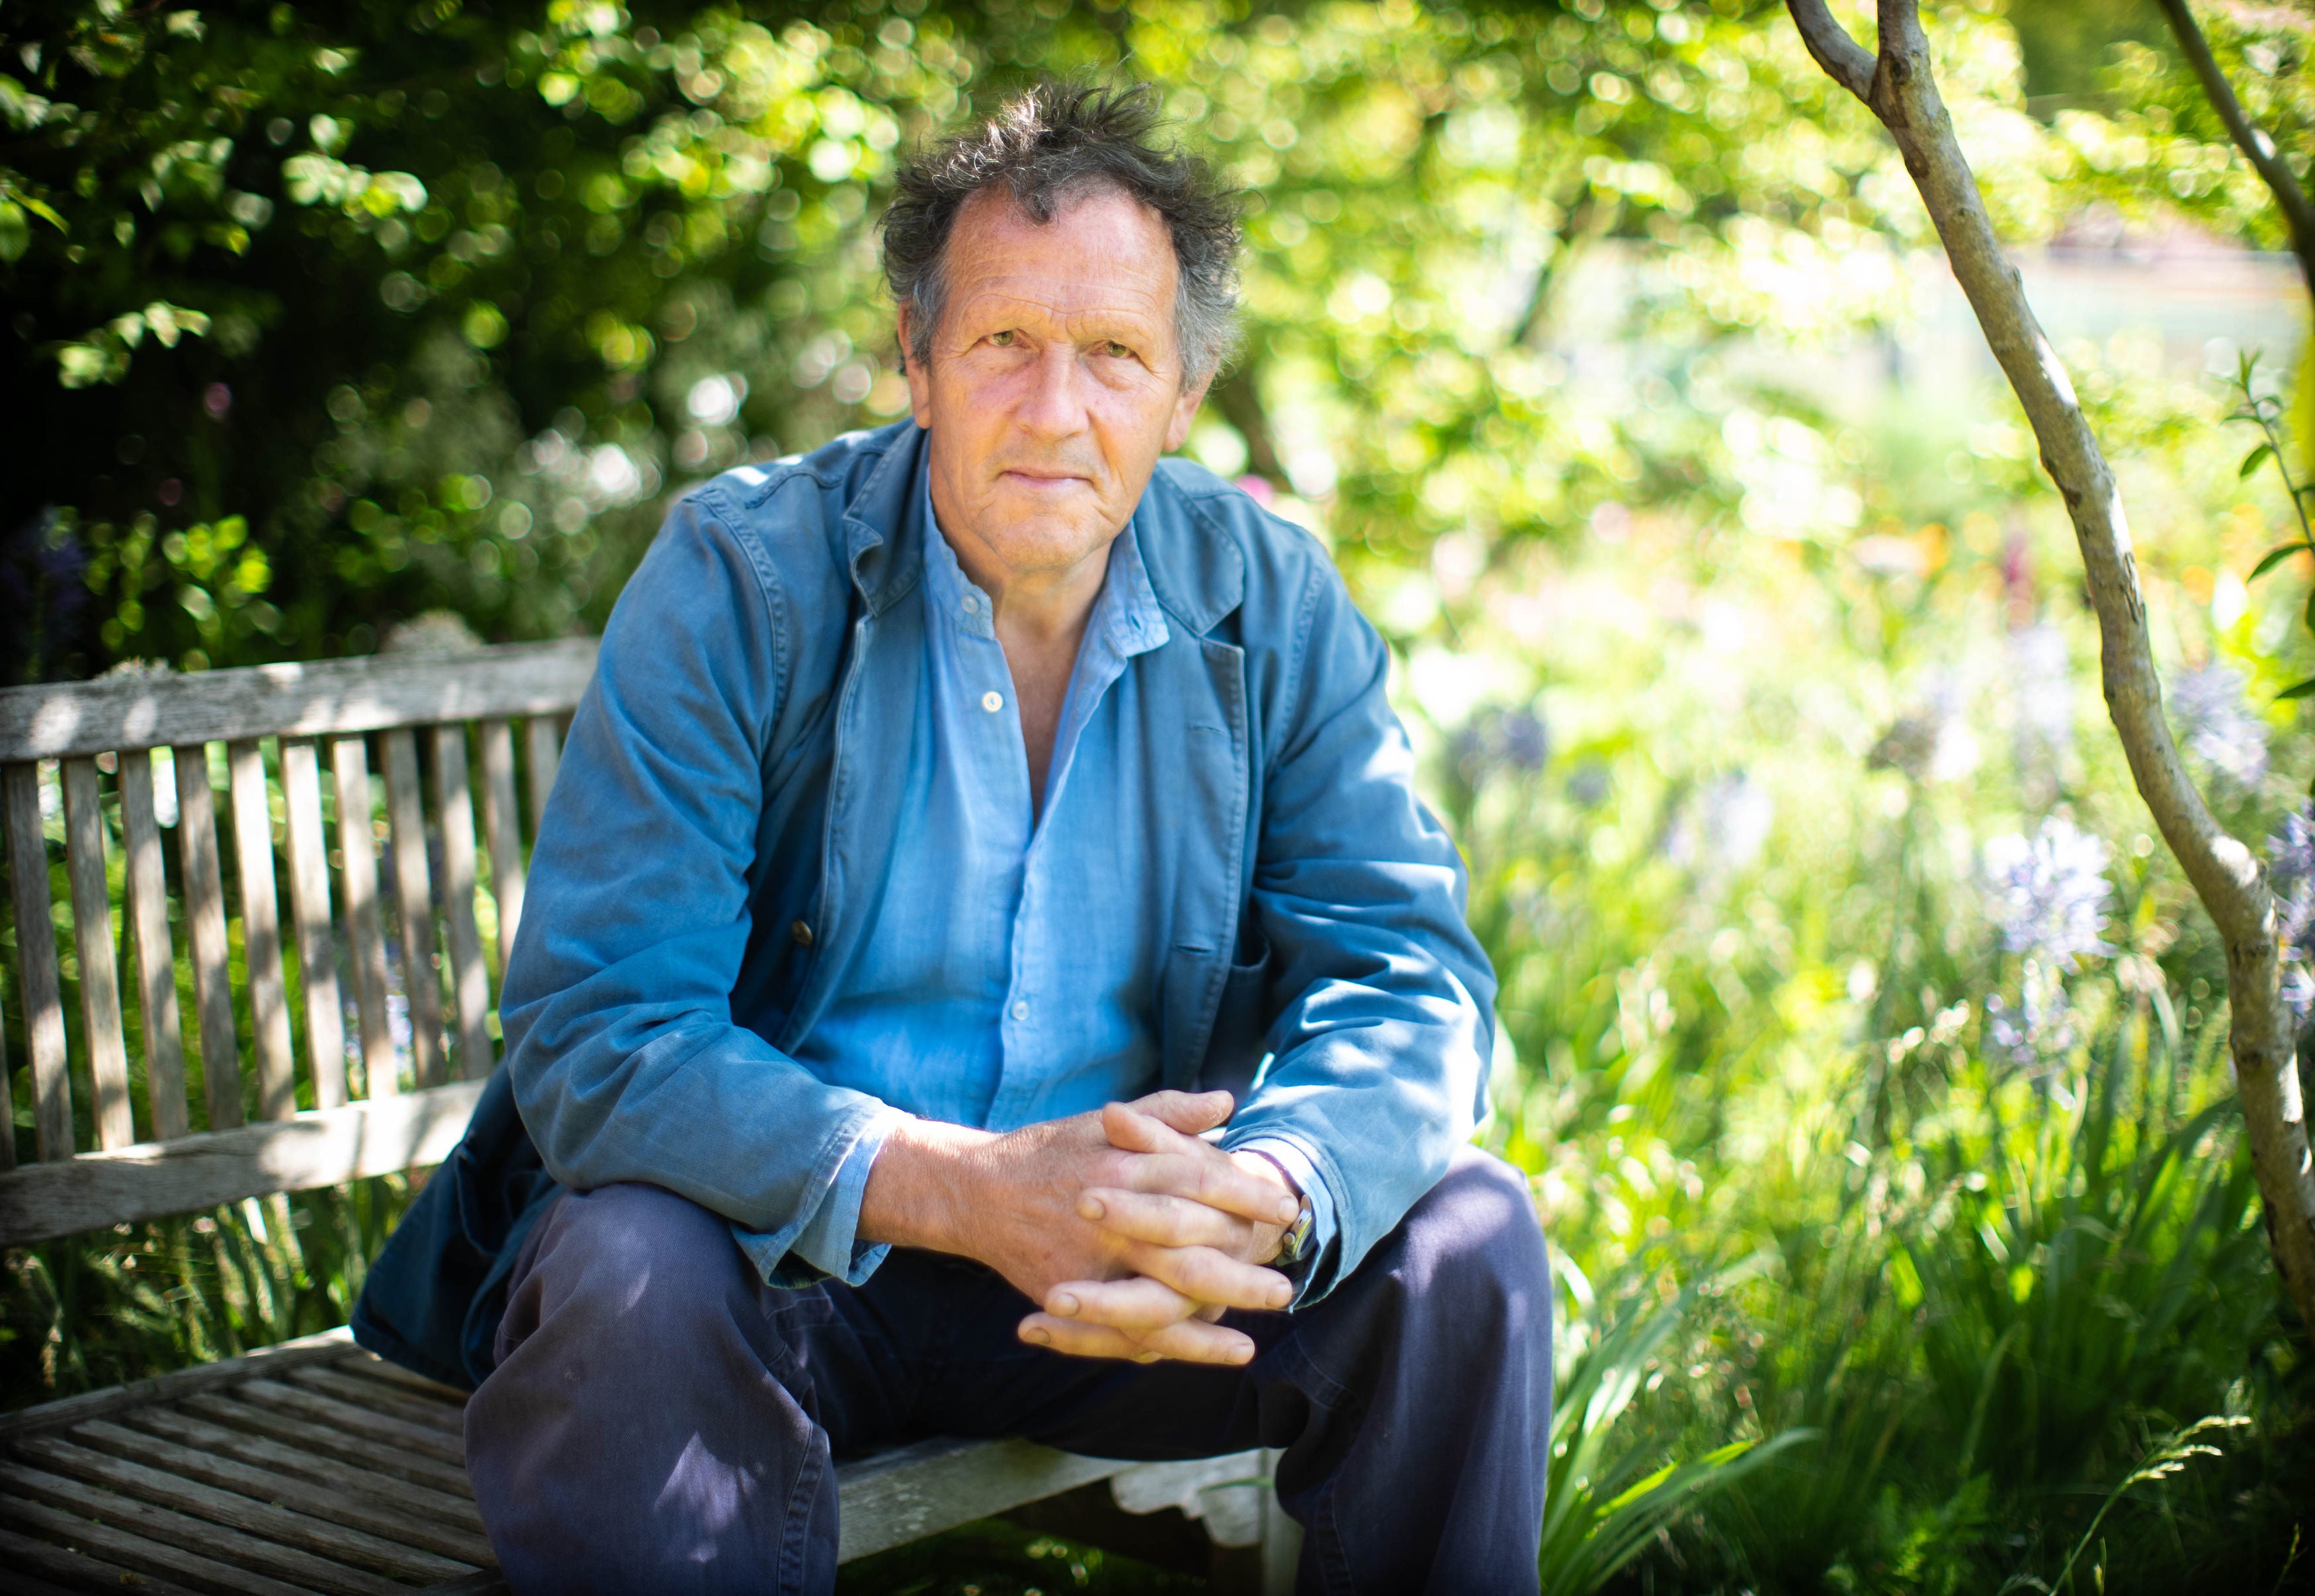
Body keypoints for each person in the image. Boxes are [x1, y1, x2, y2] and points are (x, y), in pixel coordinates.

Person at [354, 77, 1551, 1595]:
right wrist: (969, 1191)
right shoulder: (742, 578)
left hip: (1126, 1288)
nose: (1058, 413)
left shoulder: (1271, 596)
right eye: (1003, 345)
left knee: (1466, 1232)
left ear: (1184, 395)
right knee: (623, 1263)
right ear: (914, 360)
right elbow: (600, 1032)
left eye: (1116, 354)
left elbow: (1409, 976)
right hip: (776, 1278)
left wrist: (1274, 1188)